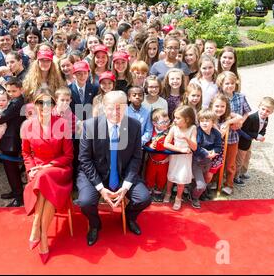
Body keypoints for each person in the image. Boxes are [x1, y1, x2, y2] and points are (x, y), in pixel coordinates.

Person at [76, 91, 152, 246]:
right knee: (85, 202)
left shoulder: (134, 126)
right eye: (111, 108)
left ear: (127, 107)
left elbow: (137, 158)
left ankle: (129, 217)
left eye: (120, 108)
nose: (115, 112)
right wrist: (101, 188)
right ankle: (95, 224)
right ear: (104, 107)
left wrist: (125, 187)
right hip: (95, 174)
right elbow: (84, 159)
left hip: (122, 174)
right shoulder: (90, 126)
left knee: (144, 198)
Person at [21, 89, 74, 264]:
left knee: (45, 178)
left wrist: (49, 165)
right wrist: (31, 170)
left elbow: (68, 156)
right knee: (44, 180)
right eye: (40, 103)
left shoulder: (62, 124)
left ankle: (38, 226)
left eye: (49, 103)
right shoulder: (27, 125)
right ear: (34, 105)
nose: (44, 106)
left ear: (53, 105)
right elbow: (26, 153)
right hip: (37, 171)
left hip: (59, 169)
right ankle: (42, 234)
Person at [0, 78, 26, 207]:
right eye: (8, 91)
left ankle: (19, 197)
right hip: (11, 137)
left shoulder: (17, 102)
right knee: (10, 169)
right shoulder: (17, 100)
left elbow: (1, 119)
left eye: (13, 91)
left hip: (12, 139)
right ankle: (15, 192)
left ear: (21, 89)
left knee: (12, 170)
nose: (10, 93)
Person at [217, 71, 250, 193]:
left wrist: (240, 122)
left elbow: (246, 112)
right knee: (218, 160)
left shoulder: (240, 97)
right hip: (219, 135)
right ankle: (216, 182)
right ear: (221, 84)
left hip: (233, 136)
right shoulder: (218, 97)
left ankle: (229, 185)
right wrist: (228, 121)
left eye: (232, 83)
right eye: (227, 83)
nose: (230, 86)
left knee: (230, 163)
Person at [162, 105, 197, 211]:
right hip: (175, 156)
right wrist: (180, 150)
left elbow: (194, 147)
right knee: (171, 176)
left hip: (185, 158)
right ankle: (168, 193)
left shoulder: (192, 128)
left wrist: (187, 138)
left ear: (187, 119)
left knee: (181, 179)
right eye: (175, 117)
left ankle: (178, 197)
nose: (175, 120)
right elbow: (166, 144)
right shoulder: (174, 128)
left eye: (177, 118)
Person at [236, 97, 274, 184]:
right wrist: (256, 135)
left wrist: (261, 135)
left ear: (272, 112)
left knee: (247, 157)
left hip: (249, 141)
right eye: (263, 109)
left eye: (268, 111)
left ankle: (243, 172)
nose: (264, 112)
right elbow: (244, 130)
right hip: (243, 141)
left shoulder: (266, 119)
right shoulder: (251, 118)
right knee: (240, 160)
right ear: (259, 106)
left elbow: (263, 128)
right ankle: (235, 177)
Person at [191, 109, 222, 209]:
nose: (204, 123)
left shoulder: (216, 133)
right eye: (202, 120)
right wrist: (205, 153)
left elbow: (218, 146)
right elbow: (196, 147)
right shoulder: (198, 132)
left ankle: (200, 194)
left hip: (208, 162)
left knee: (205, 180)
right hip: (196, 162)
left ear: (213, 122)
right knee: (201, 185)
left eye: (207, 121)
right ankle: (194, 197)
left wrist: (214, 152)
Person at [144, 108, 170, 202]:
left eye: (167, 121)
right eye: (163, 122)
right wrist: (150, 145)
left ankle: (158, 193)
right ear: (155, 123)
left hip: (164, 161)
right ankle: (149, 191)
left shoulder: (169, 133)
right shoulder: (151, 132)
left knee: (162, 178)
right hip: (152, 160)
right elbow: (146, 142)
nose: (166, 124)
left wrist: (169, 157)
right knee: (150, 176)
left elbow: (173, 145)